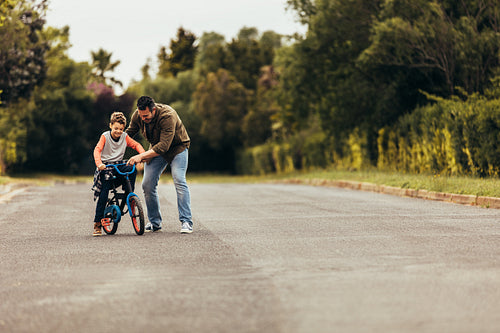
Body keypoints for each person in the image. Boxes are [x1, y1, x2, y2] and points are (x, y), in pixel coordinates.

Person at [126, 95, 193, 234]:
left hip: (177, 148)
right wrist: (111, 141)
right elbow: (128, 134)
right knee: (147, 184)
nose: (143, 118)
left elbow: (163, 147)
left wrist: (140, 156)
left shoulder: (168, 115)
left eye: (146, 115)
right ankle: (155, 222)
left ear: (154, 110)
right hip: (156, 149)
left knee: (179, 180)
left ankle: (186, 221)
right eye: (141, 115)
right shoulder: (138, 115)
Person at [92, 112, 145, 236]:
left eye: (121, 129)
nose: (118, 131)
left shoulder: (125, 137)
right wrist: (99, 164)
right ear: (111, 126)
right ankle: (97, 224)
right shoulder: (105, 136)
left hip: (118, 164)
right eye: (116, 128)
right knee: (104, 194)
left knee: (131, 167)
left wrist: (141, 157)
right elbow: (97, 150)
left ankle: (129, 194)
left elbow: (136, 145)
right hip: (106, 166)